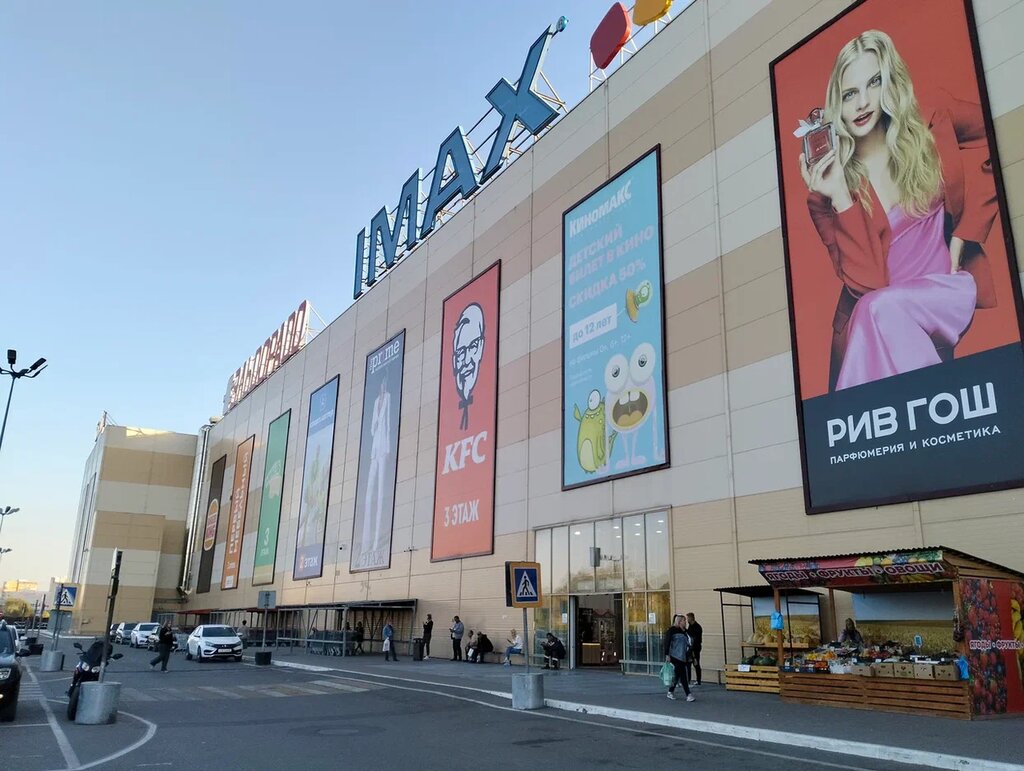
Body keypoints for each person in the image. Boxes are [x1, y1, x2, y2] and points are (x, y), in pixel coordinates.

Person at [800, 30, 997, 392]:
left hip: (939, 295)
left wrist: (966, 231)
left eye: (873, 83)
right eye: (849, 94)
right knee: (880, 307)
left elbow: (991, 138)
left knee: (880, 310)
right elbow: (869, 284)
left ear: (890, 81)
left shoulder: (932, 118)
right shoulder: (824, 196)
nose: (862, 103)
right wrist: (841, 196)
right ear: (836, 105)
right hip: (881, 320)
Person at [663, 614, 694, 702]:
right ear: (679, 622)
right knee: (683, 675)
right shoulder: (672, 630)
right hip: (675, 656)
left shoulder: (685, 631)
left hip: (683, 656)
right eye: (684, 620)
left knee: (677, 675)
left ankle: (670, 691)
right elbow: (667, 642)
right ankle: (688, 694)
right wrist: (667, 654)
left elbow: (689, 642)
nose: (685, 622)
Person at [685, 612, 703, 686]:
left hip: (695, 648)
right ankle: (688, 680)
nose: (687, 620)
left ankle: (698, 680)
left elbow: (696, 638)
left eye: (688, 618)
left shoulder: (697, 627)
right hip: (690, 648)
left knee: (696, 663)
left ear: (691, 618)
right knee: (688, 664)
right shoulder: (690, 626)